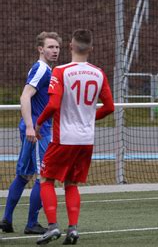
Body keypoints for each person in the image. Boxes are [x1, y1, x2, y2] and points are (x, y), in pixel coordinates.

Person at [33, 29, 114, 245]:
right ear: (91, 49)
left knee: (46, 179)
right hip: (86, 140)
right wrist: (89, 117)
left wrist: (39, 123)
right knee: (71, 183)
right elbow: (109, 107)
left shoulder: (61, 71)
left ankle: (52, 227)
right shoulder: (99, 73)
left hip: (63, 138)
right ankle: (73, 229)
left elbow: (52, 104)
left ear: (70, 46)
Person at [0, 32, 62, 235]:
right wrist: (29, 126)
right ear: (40, 49)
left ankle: (6, 220)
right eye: (50, 47)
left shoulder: (43, 69)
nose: (55, 51)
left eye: (57, 47)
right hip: (37, 130)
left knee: (24, 174)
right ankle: (31, 223)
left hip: (35, 127)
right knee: (44, 176)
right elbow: (25, 96)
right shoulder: (42, 69)